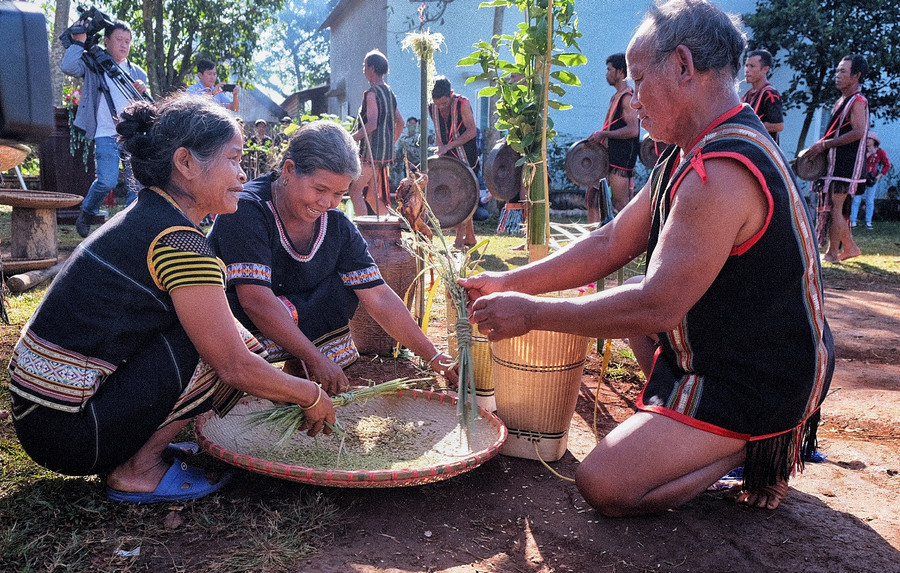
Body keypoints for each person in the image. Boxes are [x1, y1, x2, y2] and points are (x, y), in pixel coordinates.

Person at [460, 0, 833, 517]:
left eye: (637, 78)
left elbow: (657, 308)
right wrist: (509, 281)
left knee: (604, 484)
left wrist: (533, 313)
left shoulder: (721, 170)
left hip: (761, 371)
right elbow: (612, 243)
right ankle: (690, 431)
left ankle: (753, 441)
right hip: (725, 343)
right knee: (618, 306)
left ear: (683, 66)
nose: (631, 98)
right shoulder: (690, 146)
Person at [7, 95, 334, 503]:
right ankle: (137, 470)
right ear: (185, 163)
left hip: (43, 417)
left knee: (223, 327)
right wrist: (310, 395)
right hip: (68, 432)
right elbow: (232, 366)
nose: (242, 173)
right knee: (217, 346)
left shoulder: (150, 216)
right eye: (233, 159)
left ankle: (141, 452)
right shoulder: (178, 241)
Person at [207, 120, 457, 395]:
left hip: (285, 309)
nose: (326, 203)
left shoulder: (336, 226)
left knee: (346, 284)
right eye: (320, 189)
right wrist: (316, 357)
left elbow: (379, 297)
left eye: (339, 193)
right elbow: (255, 301)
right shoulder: (247, 210)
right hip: (230, 320)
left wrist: (434, 358)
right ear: (289, 170)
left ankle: (297, 369)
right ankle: (251, 379)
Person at [62, 19, 149, 238]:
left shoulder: (138, 73)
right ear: (107, 40)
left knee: (135, 186)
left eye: (128, 41)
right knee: (107, 180)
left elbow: (148, 108)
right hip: (105, 133)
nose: (124, 45)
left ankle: (130, 228)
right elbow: (68, 66)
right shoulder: (95, 65)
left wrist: (143, 90)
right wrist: (79, 43)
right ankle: (88, 211)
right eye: (119, 39)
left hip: (132, 134)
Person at [806, 54, 869, 263]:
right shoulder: (841, 101)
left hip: (847, 163)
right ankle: (838, 251)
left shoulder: (858, 101)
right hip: (834, 163)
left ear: (856, 75)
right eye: (837, 71)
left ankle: (843, 249)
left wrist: (825, 144)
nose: (837, 75)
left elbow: (859, 131)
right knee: (835, 207)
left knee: (835, 206)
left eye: (843, 71)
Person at [348, 50, 404, 217]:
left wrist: (349, 139)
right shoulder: (389, 93)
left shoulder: (372, 94)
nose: (364, 70)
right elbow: (400, 122)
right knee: (372, 196)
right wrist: (389, 144)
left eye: (365, 66)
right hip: (382, 155)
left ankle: (363, 236)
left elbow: (372, 124)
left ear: (372, 68)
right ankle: (391, 232)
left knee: (355, 192)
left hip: (369, 154)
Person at [586, 53, 640, 219]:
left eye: (609, 69)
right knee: (592, 200)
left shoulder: (627, 98)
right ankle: (593, 240)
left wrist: (604, 133)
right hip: (606, 158)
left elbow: (633, 130)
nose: (606, 73)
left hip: (620, 160)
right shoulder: (615, 97)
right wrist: (600, 137)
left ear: (621, 72)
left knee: (621, 204)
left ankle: (630, 243)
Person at [429, 77, 480, 249]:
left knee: (463, 197)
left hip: (467, 156)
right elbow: (438, 132)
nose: (441, 107)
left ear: (450, 95)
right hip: (448, 157)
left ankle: (459, 240)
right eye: (438, 104)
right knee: (462, 198)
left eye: (444, 103)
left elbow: (472, 131)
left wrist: (448, 146)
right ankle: (470, 238)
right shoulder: (432, 108)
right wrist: (439, 151)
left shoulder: (462, 103)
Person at [741, 49, 784, 144]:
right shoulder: (746, 96)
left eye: (752, 66)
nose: (747, 70)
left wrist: (750, 127)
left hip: (764, 150)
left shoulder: (769, 93)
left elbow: (778, 125)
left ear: (765, 69)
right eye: (746, 65)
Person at [851, 131, 890, 229]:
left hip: (872, 179)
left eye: (869, 139)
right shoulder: (862, 150)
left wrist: (880, 175)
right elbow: (859, 161)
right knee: (856, 200)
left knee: (870, 200)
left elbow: (887, 165)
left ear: (874, 141)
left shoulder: (880, 152)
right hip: (860, 178)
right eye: (866, 139)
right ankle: (853, 221)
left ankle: (868, 221)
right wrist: (869, 154)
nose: (867, 141)